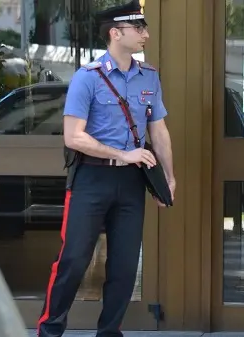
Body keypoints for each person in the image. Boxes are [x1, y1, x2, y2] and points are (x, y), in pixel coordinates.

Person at [36, 1, 176, 336]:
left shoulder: (150, 77)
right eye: (138, 28)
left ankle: (109, 332)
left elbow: (158, 130)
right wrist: (122, 154)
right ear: (116, 33)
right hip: (91, 179)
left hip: (130, 184)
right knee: (73, 262)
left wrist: (168, 178)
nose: (146, 34)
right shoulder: (88, 78)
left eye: (144, 27)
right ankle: (50, 331)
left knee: (125, 267)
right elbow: (73, 137)